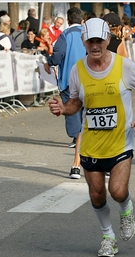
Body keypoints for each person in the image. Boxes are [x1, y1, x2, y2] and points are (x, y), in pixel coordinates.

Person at [48, 17, 135, 257]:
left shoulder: (123, 66)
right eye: (90, 41)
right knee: (97, 194)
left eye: (99, 40)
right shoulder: (78, 69)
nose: (95, 45)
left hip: (120, 143)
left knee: (117, 191)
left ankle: (126, 210)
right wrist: (63, 109)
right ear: (84, 42)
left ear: (108, 39)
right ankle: (108, 237)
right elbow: (76, 101)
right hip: (91, 146)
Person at [44, 7, 86, 179]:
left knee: (74, 119)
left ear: (68, 20)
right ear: (82, 20)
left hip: (70, 82)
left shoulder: (65, 35)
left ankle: (76, 161)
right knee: (91, 118)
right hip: (90, 80)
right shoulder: (88, 34)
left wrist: (49, 62)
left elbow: (58, 54)